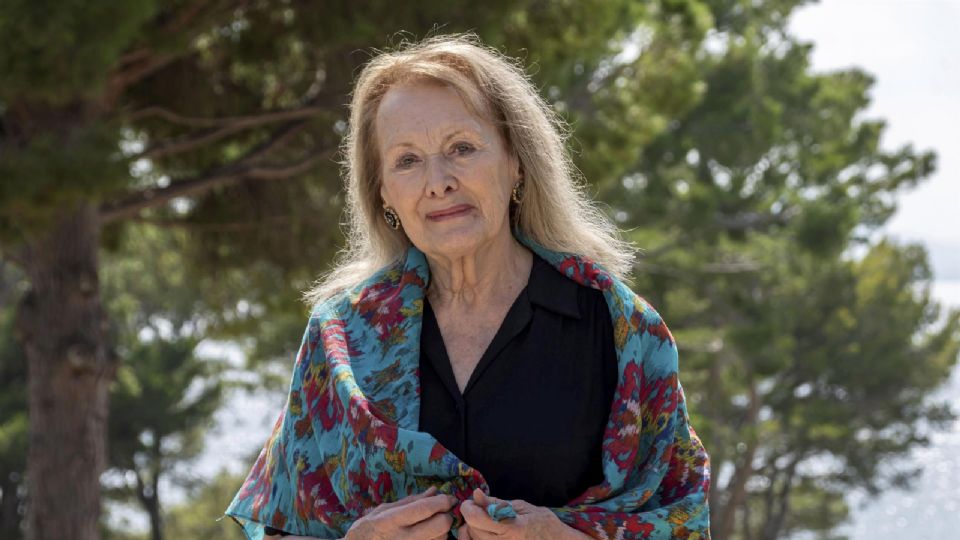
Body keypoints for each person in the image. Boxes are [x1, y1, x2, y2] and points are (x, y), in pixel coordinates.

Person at [225, 33, 711, 540]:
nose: (438, 181)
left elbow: (685, 525)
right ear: (384, 193)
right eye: (407, 160)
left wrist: (563, 537)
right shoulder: (339, 340)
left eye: (461, 148)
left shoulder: (621, 329)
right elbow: (282, 527)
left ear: (515, 162)